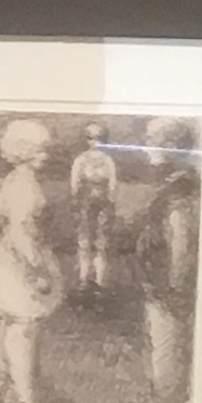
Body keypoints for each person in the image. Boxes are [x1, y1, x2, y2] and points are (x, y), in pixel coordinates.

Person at [0, 117, 66, 403]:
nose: (46, 156)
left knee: (10, 324)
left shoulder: (14, 180)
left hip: (7, 259)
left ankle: (7, 384)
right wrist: (37, 270)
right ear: (24, 152)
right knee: (23, 330)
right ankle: (26, 399)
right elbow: (21, 232)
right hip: (20, 262)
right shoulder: (25, 186)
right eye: (40, 150)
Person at [132, 120, 201, 403]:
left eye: (151, 141)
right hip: (159, 283)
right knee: (159, 341)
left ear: (171, 147)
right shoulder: (174, 184)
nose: (146, 146)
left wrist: (174, 285)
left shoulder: (180, 190)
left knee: (167, 343)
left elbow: (181, 241)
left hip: (168, 286)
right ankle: (161, 399)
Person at [67, 126, 121, 294]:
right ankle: (84, 278)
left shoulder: (108, 160)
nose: (95, 142)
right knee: (84, 242)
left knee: (101, 243)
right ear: (86, 140)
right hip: (84, 205)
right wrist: (75, 201)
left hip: (103, 205)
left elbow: (113, 184)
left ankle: (99, 280)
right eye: (91, 138)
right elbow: (74, 183)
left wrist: (110, 202)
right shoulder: (80, 160)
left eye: (99, 139)